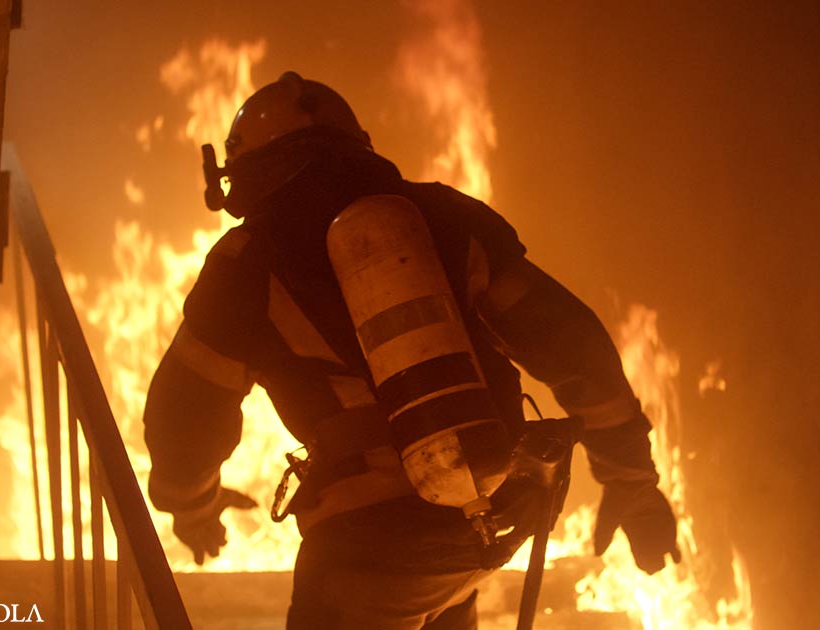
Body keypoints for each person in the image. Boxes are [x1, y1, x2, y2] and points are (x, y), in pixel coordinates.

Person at [143, 71, 680, 629]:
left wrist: (192, 505)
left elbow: (182, 416)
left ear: (248, 173)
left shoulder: (245, 265)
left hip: (369, 554)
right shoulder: (449, 217)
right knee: (441, 577)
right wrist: (632, 483)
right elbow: (576, 347)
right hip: (496, 516)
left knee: (394, 578)